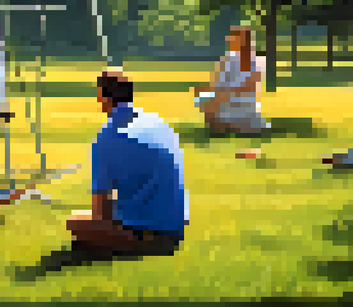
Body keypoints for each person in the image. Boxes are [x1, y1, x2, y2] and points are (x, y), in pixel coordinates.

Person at [66, 69, 189, 256]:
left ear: (104, 99)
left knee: (75, 222)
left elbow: (101, 213)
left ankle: (131, 244)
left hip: (153, 232)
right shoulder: (158, 122)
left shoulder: (107, 137)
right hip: (177, 225)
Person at [193, 25, 270, 136]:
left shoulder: (257, 60)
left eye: (235, 37)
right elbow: (217, 83)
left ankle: (225, 125)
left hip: (239, 101)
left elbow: (248, 88)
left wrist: (222, 95)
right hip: (224, 96)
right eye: (231, 36)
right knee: (201, 94)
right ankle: (219, 124)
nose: (230, 39)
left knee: (213, 100)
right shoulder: (228, 58)